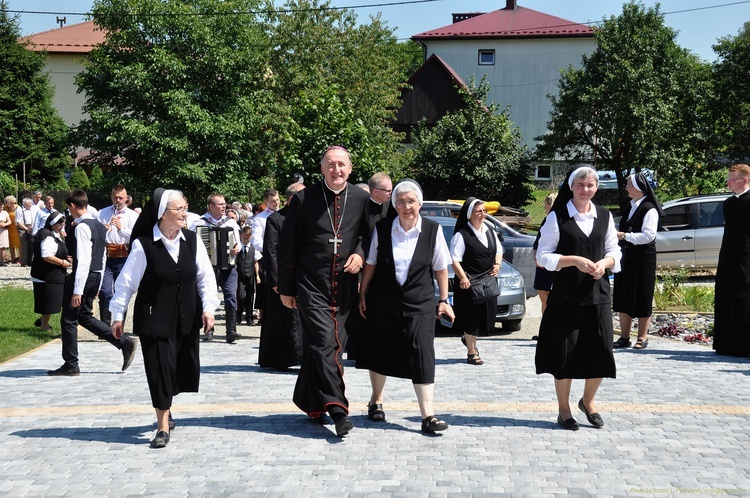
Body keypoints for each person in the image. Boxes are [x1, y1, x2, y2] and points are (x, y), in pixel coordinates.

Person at [110, 188, 219, 448]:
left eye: (185, 207)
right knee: (159, 369)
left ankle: (166, 409)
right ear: (162, 214)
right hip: (154, 319)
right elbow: (126, 284)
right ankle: (162, 426)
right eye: (179, 209)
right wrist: (117, 315)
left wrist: (209, 308)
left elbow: (205, 278)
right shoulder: (143, 245)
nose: (184, 213)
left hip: (185, 318)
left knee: (177, 371)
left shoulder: (192, 241)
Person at [278, 145, 370, 437]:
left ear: (350, 168)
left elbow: (370, 235)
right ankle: (338, 409)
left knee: (327, 347)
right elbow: (287, 244)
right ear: (322, 169)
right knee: (324, 344)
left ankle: (310, 401)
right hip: (310, 285)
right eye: (330, 165)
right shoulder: (304, 199)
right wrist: (286, 287)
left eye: (341, 164)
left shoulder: (361, 198)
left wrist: (360, 253)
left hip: (343, 288)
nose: (336, 170)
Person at [356, 180, 455, 433]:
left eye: (411, 201)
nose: (406, 206)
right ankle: (376, 401)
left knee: (423, 351)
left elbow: (441, 268)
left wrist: (443, 300)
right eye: (400, 202)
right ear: (394, 205)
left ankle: (428, 415)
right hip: (384, 298)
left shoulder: (432, 230)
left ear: (419, 203)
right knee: (381, 348)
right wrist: (363, 292)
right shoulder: (383, 227)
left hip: (420, 300)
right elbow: (371, 263)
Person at [535, 166, 621, 430]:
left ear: (597, 188)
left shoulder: (605, 216)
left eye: (591, 185)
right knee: (565, 355)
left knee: (601, 351)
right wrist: (574, 261)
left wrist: (604, 264)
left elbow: (614, 252)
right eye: (581, 185)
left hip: (598, 295)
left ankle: (588, 400)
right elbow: (542, 256)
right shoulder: (557, 217)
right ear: (571, 187)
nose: (586, 189)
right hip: (566, 297)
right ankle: (564, 410)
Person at [47, 190, 138, 377]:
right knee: (85, 317)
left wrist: (77, 290)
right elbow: (103, 255)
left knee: (69, 320)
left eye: (68, 208)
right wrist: (96, 282)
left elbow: (83, 260)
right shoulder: (98, 224)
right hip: (95, 275)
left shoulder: (81, 228)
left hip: (83, 276)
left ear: (72, 206)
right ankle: (123, 342)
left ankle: (71, 364)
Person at [613, 172, 663, 350]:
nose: (626, 187)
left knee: (642, 294)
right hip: (627, 255)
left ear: (638, 188)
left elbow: (649, 236)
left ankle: (642, 337)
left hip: (643, 258)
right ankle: (624, 337)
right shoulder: (630, 206)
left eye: (628, 184)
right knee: (623, 294)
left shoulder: (649, 208)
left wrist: (624, 236)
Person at [450, 197, 503, 365]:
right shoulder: (462, 235)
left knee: (484, 318)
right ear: (469, 214)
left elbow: (498, 250)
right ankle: (472, 353)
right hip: (469, 283)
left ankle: (468, 339)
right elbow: (454, 260)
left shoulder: (490, 231)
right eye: (479, 211)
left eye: (484, 211)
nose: (483, 215)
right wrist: (463, 278)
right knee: (471, 318)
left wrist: (498, 264)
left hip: (487, 281)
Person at [347, 172, 393, 361]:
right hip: (364, 267)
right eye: (387, 190)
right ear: (375, 191)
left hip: (383, 268)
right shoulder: (361, 209)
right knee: (362, 310)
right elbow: (360, 240)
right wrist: (359, 278)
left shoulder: (390, 207)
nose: (391, 193)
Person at [258, 182, 304, 369]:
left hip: (302, 278)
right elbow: (271, 252)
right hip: (282, 278)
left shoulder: (306, 218)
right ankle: (279, 359)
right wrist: (277, 280)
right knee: (280, 320)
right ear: (292, 199)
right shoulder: (276, 219)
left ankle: (301, 357)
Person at [189, 194, 241, 343]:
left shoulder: (230, 223)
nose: (224, 206)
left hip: (228, 268)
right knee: (207, 296)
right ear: (211, 207)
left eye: (225, 204)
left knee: (231, 296)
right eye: (220, 204)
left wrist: (236, 249)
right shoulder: (199, 223)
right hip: (208, 268)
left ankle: (231, 331)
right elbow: (191, 244)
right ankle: (208, 329)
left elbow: (238, 244)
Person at [713, 163, 750, 357]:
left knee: (744, 297)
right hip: (728, 254)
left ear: (745, 180)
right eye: (728, 179)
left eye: (732, 179)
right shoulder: (728, 203)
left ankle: (744, 345)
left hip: (746, 256)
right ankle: (726, 343)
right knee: (726, 294)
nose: (728, 182)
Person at [95, 185, 139, 326]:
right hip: (106, 258)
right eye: (115, 197)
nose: (118, 200)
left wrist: (122, 229)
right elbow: (94, 234)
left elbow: (137, 236)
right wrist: (103, 229)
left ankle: (119, 324)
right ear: (111, 197)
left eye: (121, 198)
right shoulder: (102, 213)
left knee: (122, 292)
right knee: (105, 291)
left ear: (126, 198)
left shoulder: (133, 216)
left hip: (124, 257)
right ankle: (105, 327)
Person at [30, 211, 70, 331]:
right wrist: (62, 262)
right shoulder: (48, 236)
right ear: (53, 224)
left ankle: (42, 321)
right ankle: (44, 326)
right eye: (60, 224)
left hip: (49, 274)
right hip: (46, 275)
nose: (62, 226)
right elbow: (47, 256)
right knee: (49, 302)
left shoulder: (50, 234)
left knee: (53, 300)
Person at [252, 188, 281, 325]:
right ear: (266, 201)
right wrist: (271, 249)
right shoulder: (260, 219)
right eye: (273, 201)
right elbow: (256, 240)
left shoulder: (286, 214)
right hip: (270, 258)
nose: (276, 203)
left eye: (278, 200)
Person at [533, 193, 557, 314]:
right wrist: (536, 256)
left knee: (549, 297)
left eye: (546, 204)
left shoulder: (555, 220)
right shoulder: (545, 220)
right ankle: (545, 328)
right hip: (541, 263)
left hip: (551, 263)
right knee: (543, 294)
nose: (544, 207)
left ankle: (551, 328)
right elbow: (537, 242)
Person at [236, 226, 258, 326]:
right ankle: (238, 315)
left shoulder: (253, 248)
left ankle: (249, 318)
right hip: (240, 275)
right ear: (241, 236)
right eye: (244, 238)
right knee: (240, 296)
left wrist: (257, 275)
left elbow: (255, 262)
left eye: (248, 238)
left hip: (250, 275)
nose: (246, 240)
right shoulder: (238, 247)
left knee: (250, 297)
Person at [15, 198, 37, 267]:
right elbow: (18, 222)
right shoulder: (19, 210)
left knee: (31, 243)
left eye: (31, 203)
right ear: (24, 204)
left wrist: (32, 228)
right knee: (24, 244)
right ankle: (23, 262)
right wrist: (27, 229)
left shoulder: (33, 209)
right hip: (22, 227)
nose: (31, 205)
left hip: (31, 226)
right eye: (29, 204)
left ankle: (30, 260)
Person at [4, 196, 21, 264]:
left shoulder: (18, 207)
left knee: (19, 244)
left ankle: (20, 259)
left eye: (7, 202)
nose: (6, 203)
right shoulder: (5, 208)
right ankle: (13, 259)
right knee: (11, 244)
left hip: (17, 228)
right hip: (9, 228)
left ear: (11, 202)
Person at [0, 198, 10, 265]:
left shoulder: (5, 212)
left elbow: (9, 221)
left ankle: (1, 261)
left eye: (2, 207)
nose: (1, 208)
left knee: (2, 246)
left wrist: (5, 224)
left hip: (3, 230)